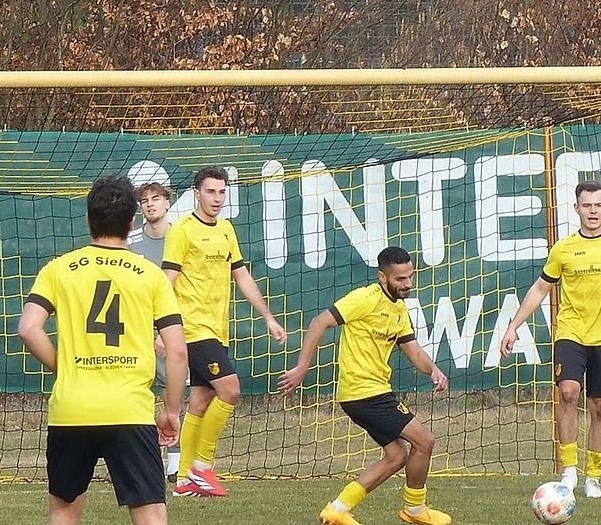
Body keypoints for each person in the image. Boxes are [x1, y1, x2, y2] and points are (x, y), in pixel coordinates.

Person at [17, 176, 187, 524]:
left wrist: (64, 367)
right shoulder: (151, 274)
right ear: (132, 222)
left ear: (88, 219)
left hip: (71, 411)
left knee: (64, 512)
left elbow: (28, 329)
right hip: (130, 410)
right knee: (151, 513)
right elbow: (177, 350)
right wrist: (172, 411)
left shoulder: (58, 269)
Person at [278, 246, 451, 525]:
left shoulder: (398, 309)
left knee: (396, 455)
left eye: (410, 276)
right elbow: (319, 322)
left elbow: (414, 352)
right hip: (364, 393)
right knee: (425, 441)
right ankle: (415, 510)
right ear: (383, 277)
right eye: (400, 279)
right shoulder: (364, 299)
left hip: (374, 392)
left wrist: (434, 370)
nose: (407, 283)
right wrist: (301, 368)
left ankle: (337, 509)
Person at [499, 181, 601, 498]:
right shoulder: (563, 249)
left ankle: (593, 476)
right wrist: (513, 326)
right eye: (587, 205)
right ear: (576, 208)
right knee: (568, 393)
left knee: (600, 407)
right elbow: (540, 288)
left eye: (598, 205)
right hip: (570, 332)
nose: (593, 211)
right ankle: (569, 473)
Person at [164, 166, 286, 497]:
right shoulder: (182, 231)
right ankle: (202, 466)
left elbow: (241, 275)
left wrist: (268, 317)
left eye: (221, 192)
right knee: (230, 390)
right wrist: (159, 328)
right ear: (196, 194)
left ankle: (184, 480)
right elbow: (166, 281)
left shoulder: (227, 229)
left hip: (217, 329)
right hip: (192, 329)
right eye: (210, 191)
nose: (217, 198)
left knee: (200, 401)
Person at [129, 181, 187, 483]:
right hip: (134, 332)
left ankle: (176, 464)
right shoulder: (130, 243)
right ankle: (135, 459)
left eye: (156, 198)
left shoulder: (181, 237)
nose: (150, 204)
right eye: (145, 200)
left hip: (170, 329)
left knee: (172, 395)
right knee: (133, 396)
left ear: (167, 202)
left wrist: (167, 332)